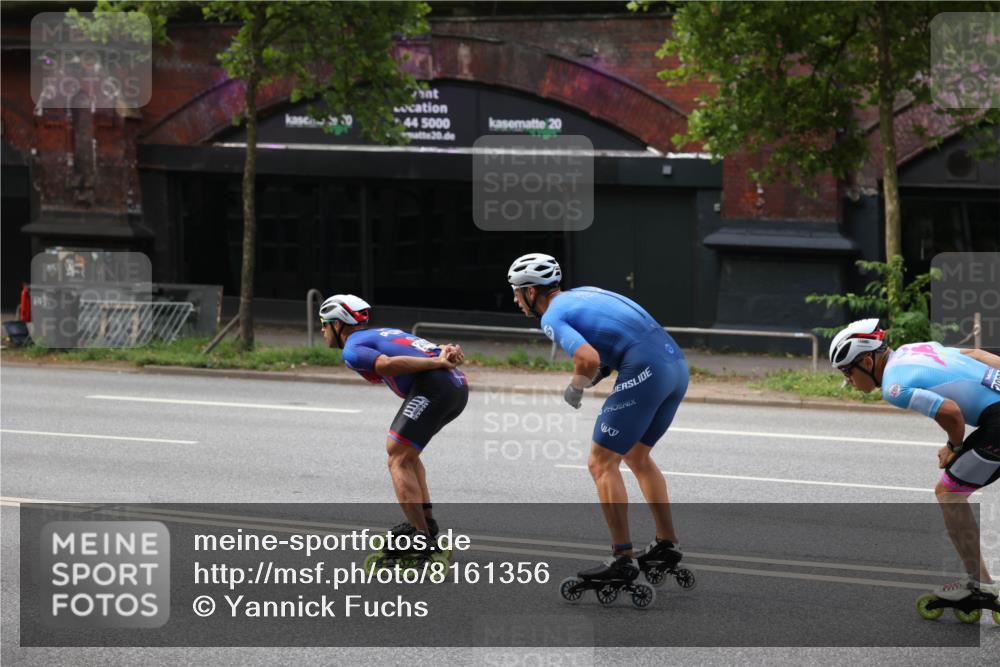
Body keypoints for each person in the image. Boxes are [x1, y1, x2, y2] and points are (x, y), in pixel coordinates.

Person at [507, 252, 689, 582]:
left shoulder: (552, 317)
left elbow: (587, 358)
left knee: (601, 463)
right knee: (637, 455)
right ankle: (666, 543)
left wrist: (576, 387)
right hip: (675, 366)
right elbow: (609, 349)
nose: (516, 299)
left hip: (646, 368)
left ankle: (623, 558)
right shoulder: (582, 294)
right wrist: (596, 375)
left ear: (531, 292)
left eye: (517, 292)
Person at [830, 318, 1000, 603]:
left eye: (848, 371)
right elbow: (977, 355)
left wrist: (953, 447)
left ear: (868, 363)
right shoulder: (913, 349)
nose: (847, 380)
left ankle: (980, 585)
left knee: (949, 494)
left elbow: (952, 412)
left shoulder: (894, 387)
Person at [319, 294, 468, 552]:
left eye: (324, 323)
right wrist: (450, 353)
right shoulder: (385, 332)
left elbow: (387, 365)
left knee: (397, 456)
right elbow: (437, 351)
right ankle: (425, 524)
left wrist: (439, 361)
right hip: (456, 386)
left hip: (436, 386)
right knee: (407, 454)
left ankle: (421, 539)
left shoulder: (353, 347)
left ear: (338, 323)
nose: (322, 330)